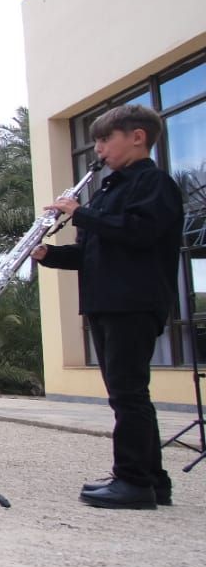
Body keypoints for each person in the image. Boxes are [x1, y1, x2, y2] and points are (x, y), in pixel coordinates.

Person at [34, 104, 182, 510]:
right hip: (106, 301)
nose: (97, 148)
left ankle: (134, 482)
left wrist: (83, 213)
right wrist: (46, 253)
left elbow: (139, 233)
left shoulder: (154, 183)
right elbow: (90, 255)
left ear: (137, 137)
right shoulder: (110, 188)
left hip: (133, 301)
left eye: (104, 139)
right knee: (127, 394)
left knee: (129, 395)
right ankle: (153, 479)